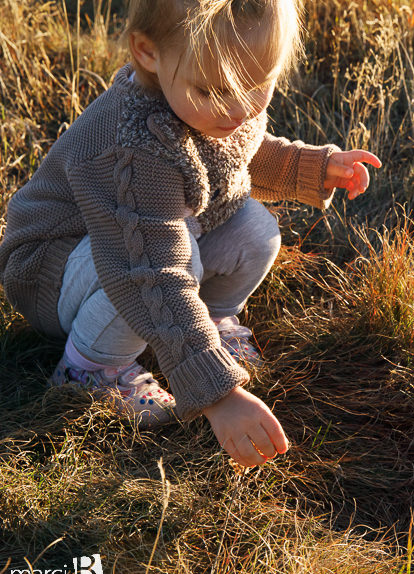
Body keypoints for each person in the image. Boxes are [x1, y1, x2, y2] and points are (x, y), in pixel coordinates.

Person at [0, 0, 381, 468]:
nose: (239, 109)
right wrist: (218, 396)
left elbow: (237, 155)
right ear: (148, 53)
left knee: (255, 226)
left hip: (128, 247)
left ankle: (208, 323)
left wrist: (312, 167)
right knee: (177, 265)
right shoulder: (133, 148)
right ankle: (90, 369)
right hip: (52, 272)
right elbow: (150, 270)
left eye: (258, 84)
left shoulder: (207, 101)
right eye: (215, 90)